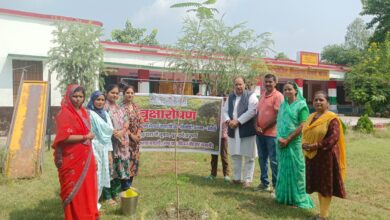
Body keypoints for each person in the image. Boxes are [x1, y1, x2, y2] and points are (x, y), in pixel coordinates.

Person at [52, 84, 99, 220]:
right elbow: (64, 137)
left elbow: (88, 135)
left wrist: (93, 157)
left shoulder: (84, 112)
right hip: (71, 158)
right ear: (68, 96)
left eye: (81, 96)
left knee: (88, 188)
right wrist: (85, 137)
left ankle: (89, 214)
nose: (78, 99)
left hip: (87, 156)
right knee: (75, 190)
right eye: (75, 96)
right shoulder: (64, 114)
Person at [302, 91, 347, 220]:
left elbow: (333, 138)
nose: (318, 102)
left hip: (326, 157)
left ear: (327, 103)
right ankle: (322, 213)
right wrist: (305, 144)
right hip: (312, 156)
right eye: (316, 100)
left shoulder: (332, 118)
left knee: (325, 185)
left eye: (321, 100)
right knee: (318, 184)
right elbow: (305, 133)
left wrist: (315, 146)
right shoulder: (311, 117)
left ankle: (323, 216)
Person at [274, 82, 314, 208]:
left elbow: (303, 125)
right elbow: (280, 122)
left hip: (294, 143)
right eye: (285, 90)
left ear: (296, 91)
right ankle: (285, 197)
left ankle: (298, 198)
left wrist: (288, 139)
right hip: (281, 142)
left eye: (289, 89)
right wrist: (280, 138)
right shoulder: (283, 105)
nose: (287, 92)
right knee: (283, 168)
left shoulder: (301, 105)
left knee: (296, 170)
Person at [223, 76, 258, 188]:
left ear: (244, 85)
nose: (238, 86)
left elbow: (252, 111)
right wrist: (229, 121)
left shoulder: (251, 96)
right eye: (236, 84)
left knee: (249, 156)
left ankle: (247, 180)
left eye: (240, 84)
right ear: (234, 86)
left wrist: (238, 121)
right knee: (235, 155)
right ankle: (237, 178)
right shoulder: (231, 96)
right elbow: (224, 110)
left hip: (246, 130)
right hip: (233, 130)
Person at [254, 73, 284, 192]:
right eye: (266, 82)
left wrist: (264, 128)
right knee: (262, 158)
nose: (267, 84)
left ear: (275, 83)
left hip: (272, 134)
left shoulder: (278, 96)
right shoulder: (262, 95)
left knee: (274, 160)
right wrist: (256, 125)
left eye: (270, 82)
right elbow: (257, 112)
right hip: (260, 133)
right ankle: (264, 183)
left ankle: (276, 186)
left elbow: (278, 116)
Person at [102, 84, 131, 205]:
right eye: (112, 92)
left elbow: (126, 121)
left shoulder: (120, 107)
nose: (115, 95)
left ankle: (116, 193)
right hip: (110, 143)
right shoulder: (103, 107)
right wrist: (115, 133)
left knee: (119, 169)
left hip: (122, 143)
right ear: (107, 93)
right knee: (109, 168)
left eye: (117, 93)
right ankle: (108, 196)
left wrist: (122, 132)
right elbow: (103, 125)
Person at [87, 91, 114, 209]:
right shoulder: (89, 114)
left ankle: (95, 202)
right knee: (95, 175)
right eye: (98, 99)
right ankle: (91, 204)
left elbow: (108, 135)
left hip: (104, 148)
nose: (100, 102)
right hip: (93, 147)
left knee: (103, 174)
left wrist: (109, 153)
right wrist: (92, 154)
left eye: (102, 100)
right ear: (92, 100)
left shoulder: (105, 114)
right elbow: (89, 133)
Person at [204, 95, 231, 182]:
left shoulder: (226, 111)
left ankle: (226, 175)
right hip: (214, 137)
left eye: (224, 99)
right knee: (214, 156)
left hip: (223, 137)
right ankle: (213, 174)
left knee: (224, 156)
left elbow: (227, 123)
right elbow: (209, 122)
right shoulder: (213, 111)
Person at [121, 85, 142, 189]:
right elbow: (121, 124)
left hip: (136, 141)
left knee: (134, 162)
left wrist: (138, 134)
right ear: (124, 94)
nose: (130, 95)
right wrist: (131, 135)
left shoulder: (136, 107)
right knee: (126, 162)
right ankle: (124, 186)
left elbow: (140, 122)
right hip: (125, 140)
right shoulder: (121, 107)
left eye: (132, 93)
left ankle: (129, 185)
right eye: (127, 93)